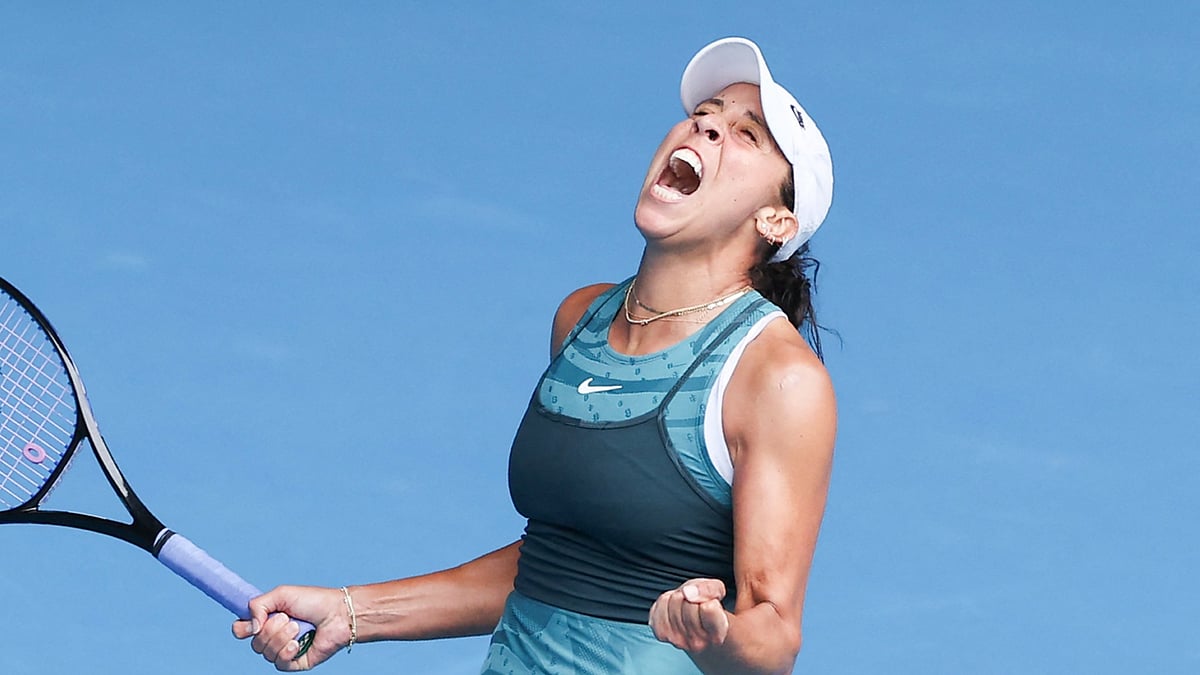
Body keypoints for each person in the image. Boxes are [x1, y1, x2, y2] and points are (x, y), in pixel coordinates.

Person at [232, 36, 837, 675]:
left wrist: (715, 636)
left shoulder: (777, 378)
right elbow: (554, 563)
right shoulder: (582, 319)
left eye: (746, 136)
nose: (707, 126)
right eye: (706, 112)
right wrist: (355, 612)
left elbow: (773, 640)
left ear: (776, 221)